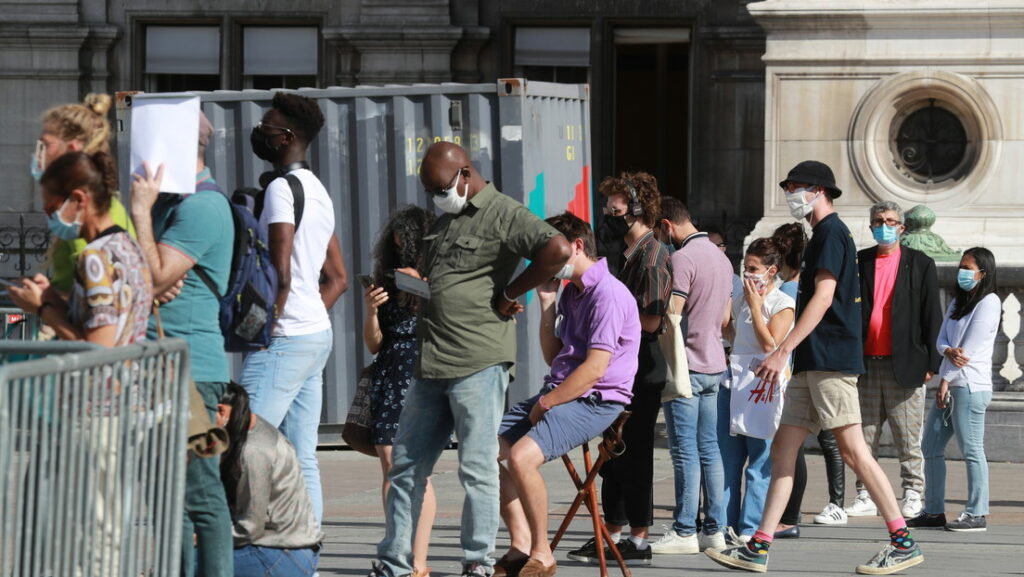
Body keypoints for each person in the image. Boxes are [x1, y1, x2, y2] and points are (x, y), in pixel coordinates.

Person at [707, 160, 924, 575]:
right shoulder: (822, 234)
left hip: (829, 361)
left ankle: (902, 541)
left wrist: (782, 350)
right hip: (813, 362)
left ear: (819, 190)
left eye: (796, 186)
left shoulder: (830, 234)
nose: (790, 193)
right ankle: (759, 545)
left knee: (854, 451)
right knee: (782, 451)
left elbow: (823, 299)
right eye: (788, 186)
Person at [370, 142, 571, 577]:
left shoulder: (503, 212)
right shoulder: (445, 223)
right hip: (431, 363)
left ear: (464, 173)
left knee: (477, 468)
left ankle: (477, 562)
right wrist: (414, 285)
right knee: (405, 466)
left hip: (477, 362)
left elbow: (555, 251)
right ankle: (395, 564)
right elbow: (446, 289)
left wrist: (509, 294)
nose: (436, 197)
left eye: (440, 187)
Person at [9, 150, 152, 577]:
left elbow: (99, 346)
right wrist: (55, 299)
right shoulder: (125, 245)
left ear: (78, 199)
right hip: (124, 407)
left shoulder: (93, 257)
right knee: (106, 526)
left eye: (53, 208)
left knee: (93, 534)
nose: (52, 218)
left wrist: (42, 312)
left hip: (95, 412)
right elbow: (109, 317)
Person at [495, 211, 640, 577]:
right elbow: (554, 356)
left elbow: (594, 370)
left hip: (598, 398)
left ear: (576, 246)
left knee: (522, 458)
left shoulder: (606, 293)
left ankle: (542, 555)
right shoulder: (574, 291)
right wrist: (547, 306)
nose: (543, 263)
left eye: (549, 253)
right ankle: (521, 544)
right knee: (483, 451)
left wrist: (547, 402)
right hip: (563, 390)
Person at [130, 111, 236, 577]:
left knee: (200, 494)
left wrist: (139, 216)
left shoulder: (202, 207)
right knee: (166, 495)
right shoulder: (169, 203)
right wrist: (150, 276)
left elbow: (150, 274)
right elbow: (136, 276)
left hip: (190, 373)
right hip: (160, 368)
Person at [239, 92, 349, 525]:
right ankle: (306, 559)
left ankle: (249, 549)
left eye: (267, 126)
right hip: (314, 335)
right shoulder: (318, 190)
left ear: (285, 136)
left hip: (286, 340)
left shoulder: (283, 190)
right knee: (303, 457)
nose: (260, 132)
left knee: (243, 443)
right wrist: (304, 321)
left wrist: (268, 332)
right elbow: (337, 278)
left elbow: (280, 274)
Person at [568, 172, 671, 566]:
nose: (610, 212)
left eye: (617, 205)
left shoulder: (653, 253)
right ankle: (609, 531)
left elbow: (650, 319)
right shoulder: (623, 252)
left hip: (643, 367)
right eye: (608, 205)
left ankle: (638, 538)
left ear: (638, 207)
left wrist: (615, 307)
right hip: (621, 366)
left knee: (636, 453)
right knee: (613, 453)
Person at [844, 201, 942, 521]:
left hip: (907, 364)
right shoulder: (860, 261)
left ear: (901, 226)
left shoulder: (920, 263)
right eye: (877, 220)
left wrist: (932, 361)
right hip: (865, 363)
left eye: (889, 221)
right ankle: (864, 493)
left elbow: (932, 314)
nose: (883, 225)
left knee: (907, 436)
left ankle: (913, 491)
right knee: (864, 435)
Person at [648, 197, 732, 555]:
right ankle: (715, 528)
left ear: (667, 225)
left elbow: (673, 315)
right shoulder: (721, 256)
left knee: (684, 452)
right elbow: (726, 319)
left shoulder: (681, 258)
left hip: (687, 367)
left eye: (658, 231)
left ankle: (684, 529)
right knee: (709, 448)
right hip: (714, 363)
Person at [362, 206, 438, 577]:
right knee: (390, 466)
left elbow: (447, 312)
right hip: (389, 372)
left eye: (407, 246)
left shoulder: (435, 276)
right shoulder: (386, 279)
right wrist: (372, 312)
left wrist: (419, 283)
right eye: (395, 246)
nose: (401, 253)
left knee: (416, 469)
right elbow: (374, 344)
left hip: (421, 372)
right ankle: (398, 550)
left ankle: (418, 561)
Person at [910, 247, 999, 532]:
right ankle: (934, 510)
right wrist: (947, 353)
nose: (962, 272)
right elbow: (942, 342)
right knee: (931, 446)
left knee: (971, 448)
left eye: (968, 267)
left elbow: (967, 351)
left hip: (970, 386)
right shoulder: (957, 303)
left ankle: (977, 512)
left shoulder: (990, 302)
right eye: (961, 266)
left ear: (982, 272)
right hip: (950, 384)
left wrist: (945, 379)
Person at [718, 238, 795, 543]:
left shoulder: (783, 303)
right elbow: (730, 331)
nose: (748, 274)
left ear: (771, 271)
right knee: (728, 458)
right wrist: (729, 301)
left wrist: (756, 306)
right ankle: (723, 524)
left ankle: (750, 528)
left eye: (753, 269)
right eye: (745, 268)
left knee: (760, 461)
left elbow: (770, 345)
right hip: (735, 380)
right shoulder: (741, 297)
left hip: (765, 386)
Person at [217, 383, 324, 576]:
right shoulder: (248, 430)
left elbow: (250, 528)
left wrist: (203, 537)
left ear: (221, 410)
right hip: (285, 547)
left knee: (184, 562)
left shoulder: (254, 450)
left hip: (282, 552)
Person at [34, 94, 136, 294]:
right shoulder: (98, 205)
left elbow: (96, 298)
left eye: (45, 145)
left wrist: (43, 305)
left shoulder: (82, 213)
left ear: (71, 149)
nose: (39, 155)